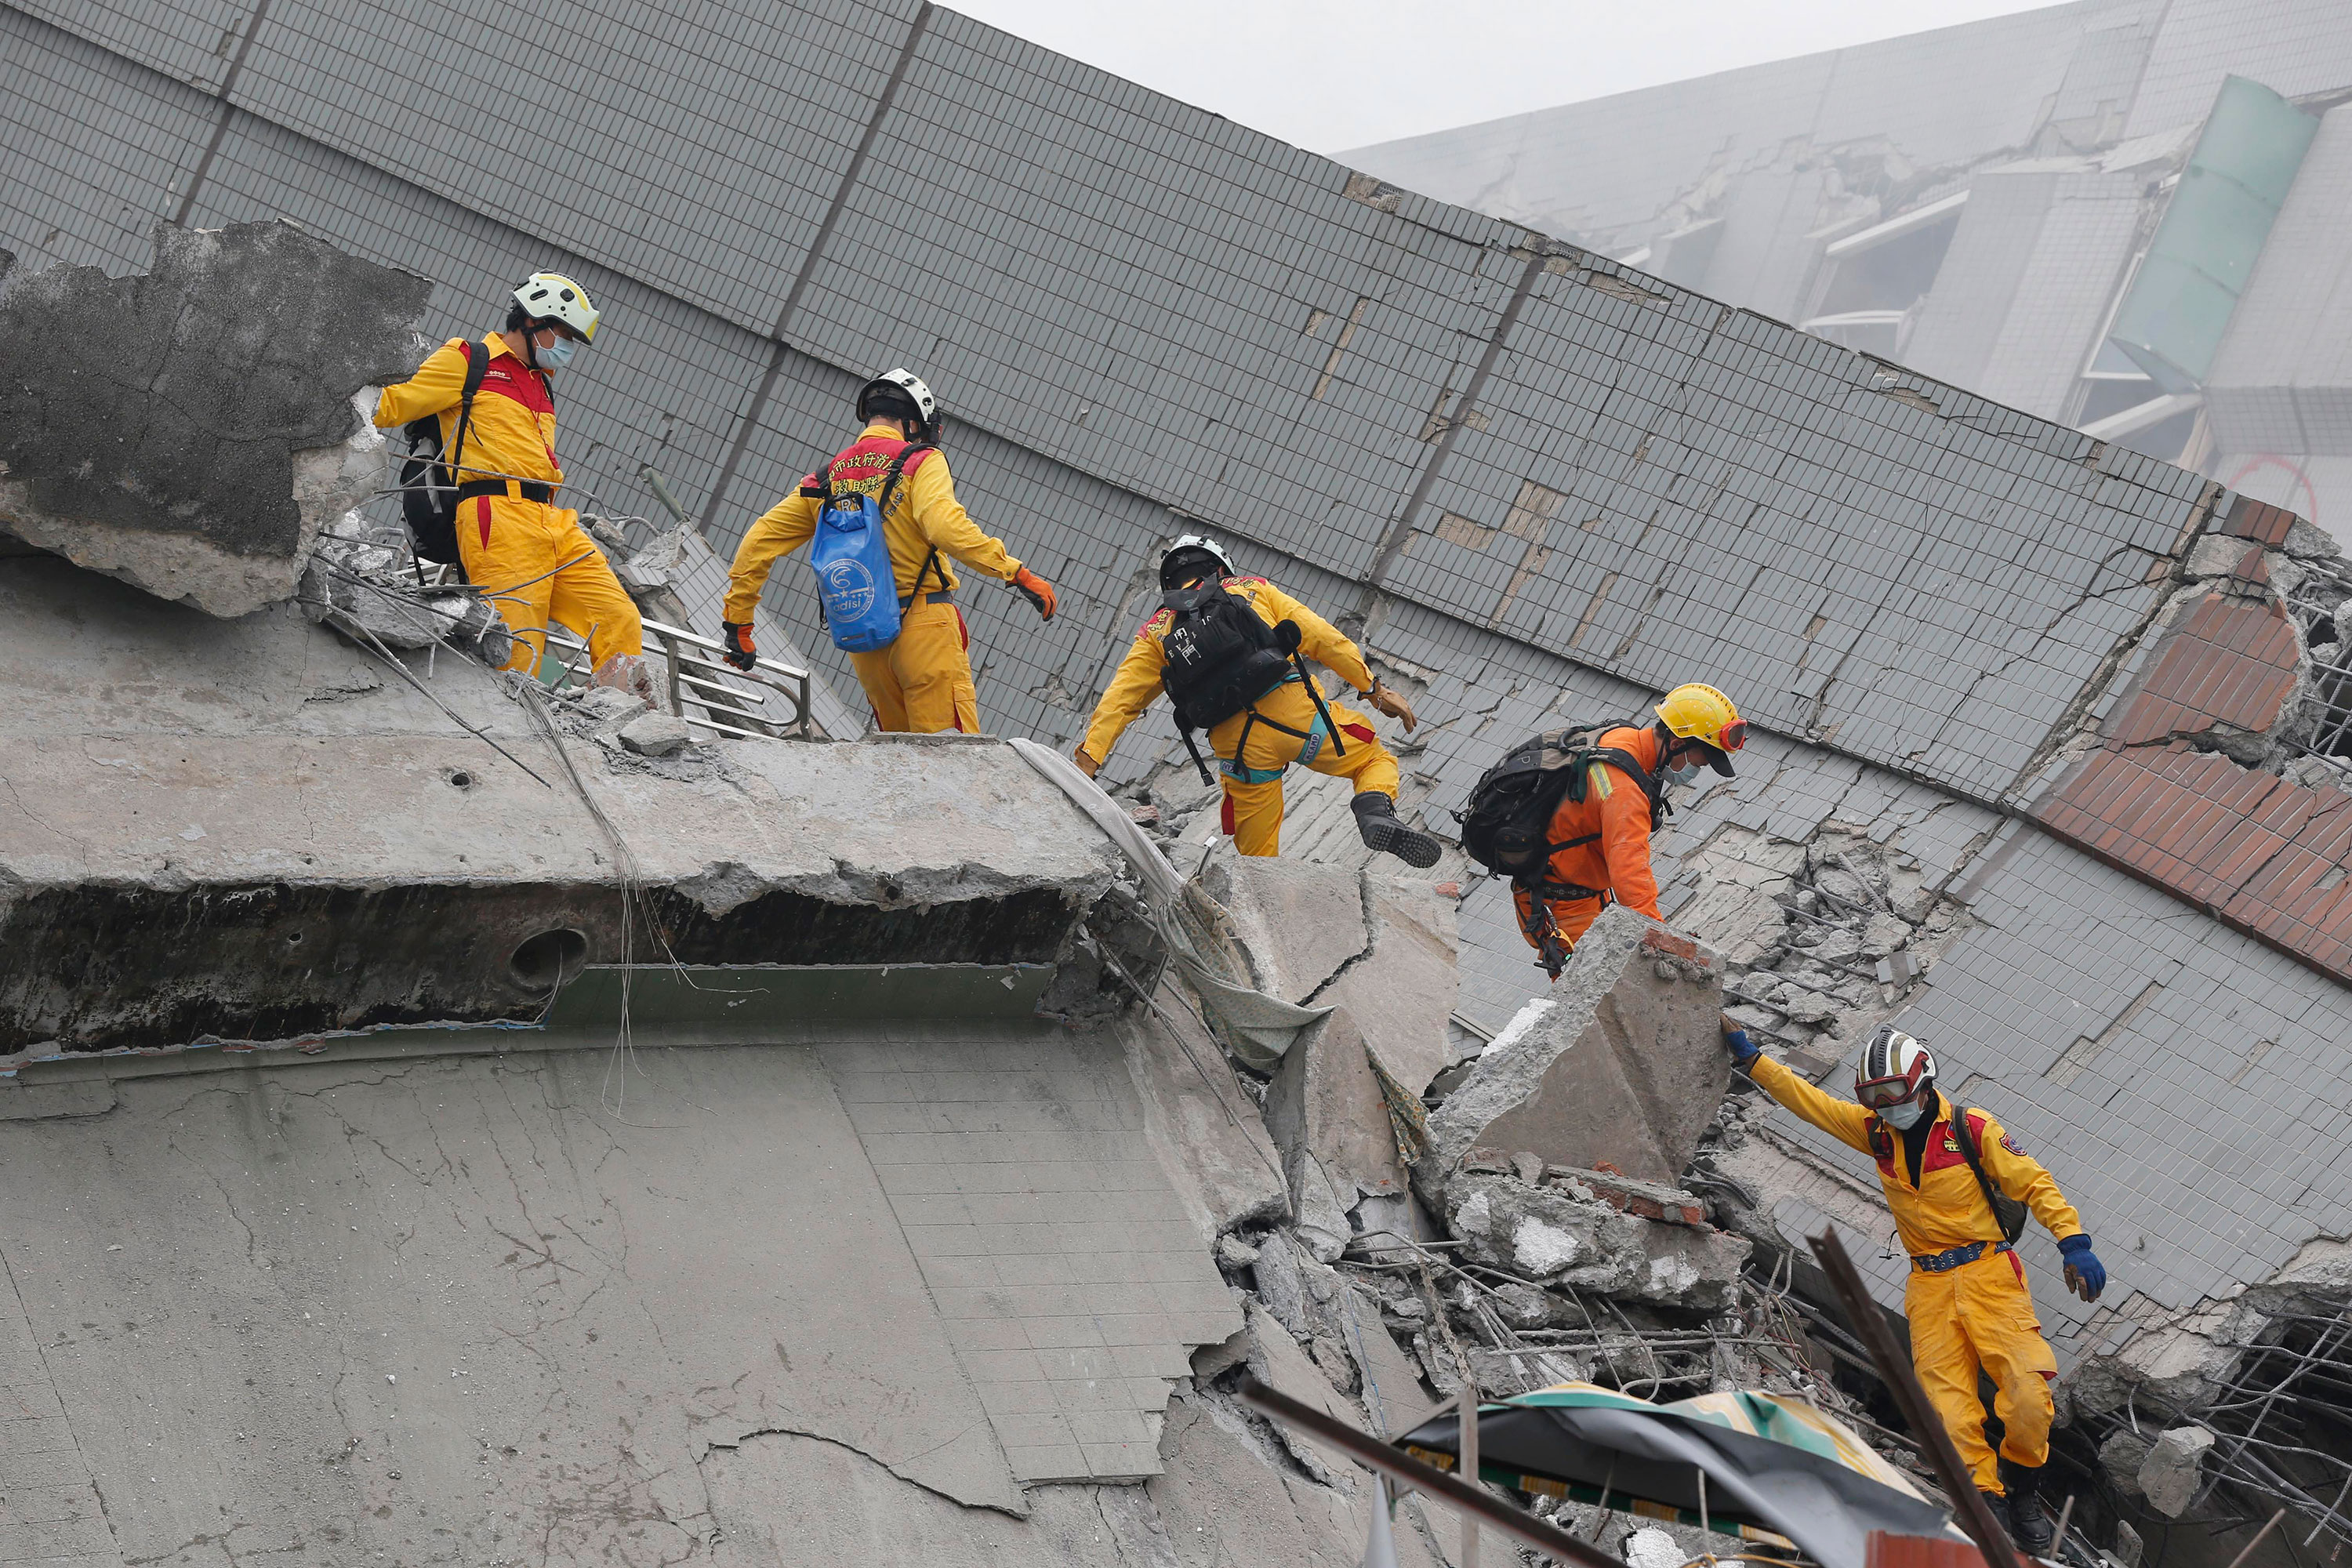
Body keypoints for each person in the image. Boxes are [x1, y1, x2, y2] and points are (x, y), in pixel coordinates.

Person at [1725, 1022, 2107, 1553]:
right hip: (1928, 1284)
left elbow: (2034, 1183)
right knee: (1949, 1414)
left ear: (1924, 1082)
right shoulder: (1879, 1132)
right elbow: (1810, 1103)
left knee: (2027, 1396)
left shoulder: (1972, 1130)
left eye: (1893, 1094)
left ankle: (2022, 1489)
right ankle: (1988, 1502)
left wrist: (2074, 1241)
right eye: (1872, 1097)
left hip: (1989, 1273)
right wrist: (1754, 1063)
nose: (1884, 1105)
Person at [720, 369, 1057, 733]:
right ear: (914, 421)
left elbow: (759, 540)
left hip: (866, 637)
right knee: (952, 762)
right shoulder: (921, 460)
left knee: (900, 758)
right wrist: (1013, 571)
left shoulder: (826, 477)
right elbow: (943, 525)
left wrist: (738, 623)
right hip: (923, 626)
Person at [1073, 536, 1437, 866]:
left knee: (1257, 857)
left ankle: (1263, 909)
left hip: (1239, 749)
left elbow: (1119, 702)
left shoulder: (1155, 631)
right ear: (1220, 569)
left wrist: (1088, 762)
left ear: (1168, 584)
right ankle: (1374, 811)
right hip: (1297, 717)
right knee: (1374, 758)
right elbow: (1325, 639)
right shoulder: (1251, 588)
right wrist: (1374, 690)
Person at [374, 272, 649, 694]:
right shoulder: (469, 359)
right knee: (520, 650)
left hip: (554, 520)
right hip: (495, 517)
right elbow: (390, 405)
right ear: (533, 322)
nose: (568, 347)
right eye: (565, 334)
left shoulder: (542, 383)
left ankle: (617, 718)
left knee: (618, 617)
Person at [1513, 684, 1747, 972]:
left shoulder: (1625, 737)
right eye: (1701, 760)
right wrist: (1663, 941)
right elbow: (1631, 878)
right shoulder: (1624, 792)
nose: (1700, 769)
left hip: (1578, 889)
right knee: (1592, 990)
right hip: (1565, 906)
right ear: (1677, 744)